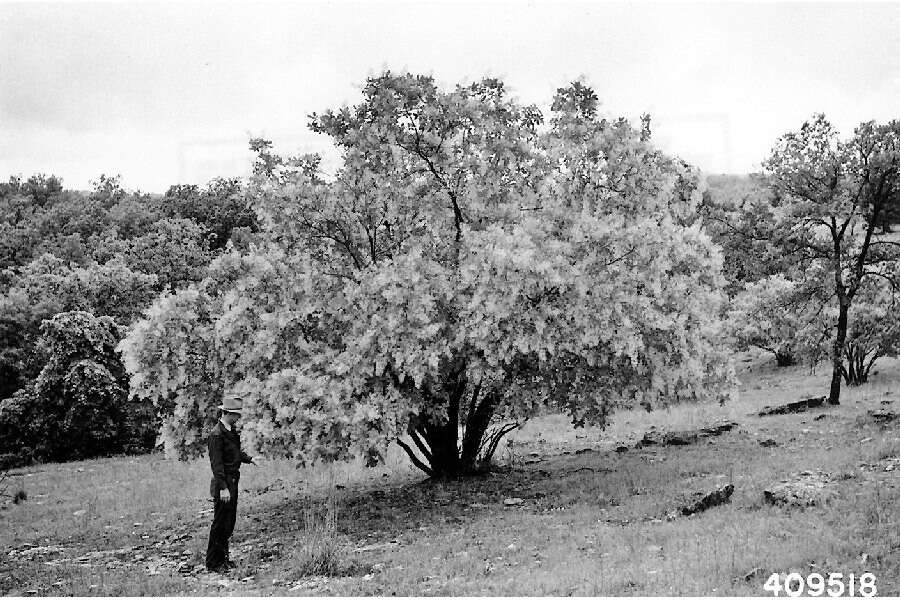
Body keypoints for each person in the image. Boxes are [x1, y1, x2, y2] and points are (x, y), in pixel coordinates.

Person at [205, 395, 261, 572]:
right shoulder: (216, 435)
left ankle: (224, 559)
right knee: (220, 524)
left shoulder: (230, 430)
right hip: (224, 482)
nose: (239, 417)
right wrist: (223, 488)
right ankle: (213, 563)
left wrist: (250, 459)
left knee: (229, 523)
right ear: (228, 413)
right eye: (237, 414)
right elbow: (217, 464)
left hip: (233, 480)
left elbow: (235, 453)